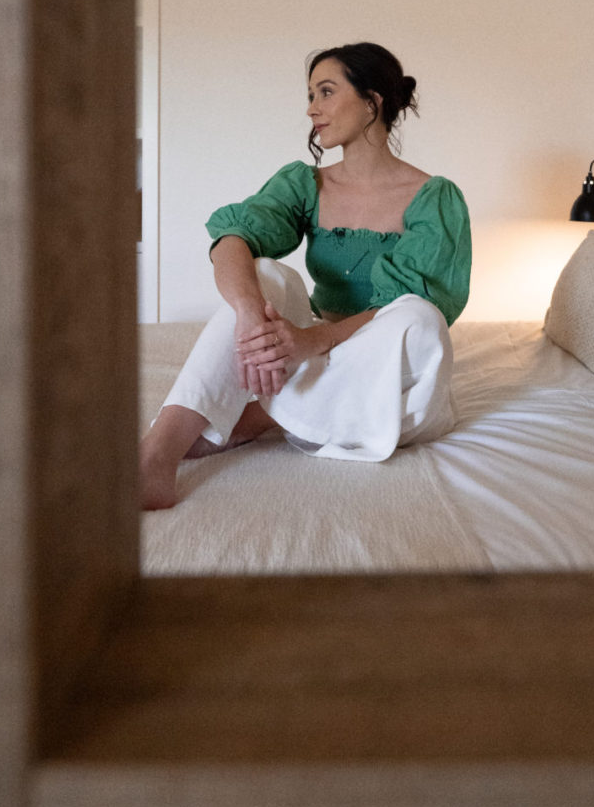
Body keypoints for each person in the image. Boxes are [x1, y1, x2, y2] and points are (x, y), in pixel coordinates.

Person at [139, 42, 472, 509]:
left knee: (419, 318)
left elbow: (414, 303)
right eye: (311, 94)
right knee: (267, 273)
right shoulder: (307, 184)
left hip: (378, 366)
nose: (312, 109)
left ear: (371, 102)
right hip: (306, 351)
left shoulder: (434, 197)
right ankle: (156, 454)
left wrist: (310, 343)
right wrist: (251, 316)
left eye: (326, 92)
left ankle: (260, 419)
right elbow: (232, 238)